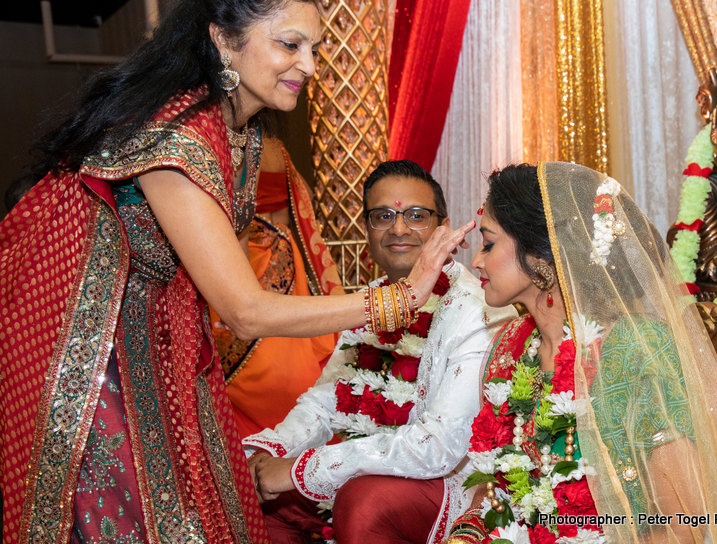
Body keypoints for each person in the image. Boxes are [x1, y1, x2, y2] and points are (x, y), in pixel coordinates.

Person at [0, 1, 470, 541]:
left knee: (209, 504)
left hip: (163, 343)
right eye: (290, 45)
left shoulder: (241, 137)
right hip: (92, 355)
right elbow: (244, 310)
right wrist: (398, 299)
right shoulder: (172, 137)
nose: (310, 66)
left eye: (313, 48)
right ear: (224, 41)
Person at [444, 162, 717, 543]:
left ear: (542, 255)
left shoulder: (636, 354)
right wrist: (468, 534)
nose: (475, 261)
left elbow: (682, 526)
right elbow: (493, 490)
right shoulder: (514, 348)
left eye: (488, 243)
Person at [243, 159, 517, 543]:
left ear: (443, 229)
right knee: (249, 495)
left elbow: (437, 448)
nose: (399, 228)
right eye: (383, 216)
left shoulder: (476, 308)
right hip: (364, 469)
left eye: (417, 215)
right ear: (367, 230)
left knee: (365, 500)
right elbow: (323, 404)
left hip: (447, 484)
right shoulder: (370, 302)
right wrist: (263, 456)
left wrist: (298, 470)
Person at [213, 137, 344, 438]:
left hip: (234, 259)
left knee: (252, 374)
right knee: (288, 366)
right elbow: (302, 200)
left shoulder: (217, 140)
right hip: (277, 256)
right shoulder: (274, 147)